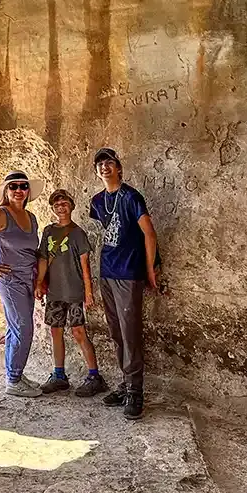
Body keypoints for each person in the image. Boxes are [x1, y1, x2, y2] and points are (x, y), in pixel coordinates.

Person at [88, 148, 161, 421]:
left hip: (129, 273)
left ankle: (136, 391)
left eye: (109, 163)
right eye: (100, 164)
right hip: (106, 272)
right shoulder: (97, 201)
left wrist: (150, 270)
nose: (105, 167)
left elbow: (149, 234)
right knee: (117, 332)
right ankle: (125, 383)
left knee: (130, 334)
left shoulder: (131, 197)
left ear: (119, 167)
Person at [0, 170, 43, 397]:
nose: (19, 191)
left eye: (23, 186)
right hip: (10, 279)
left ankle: (15, 373)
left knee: (16, 327)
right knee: (24, 327)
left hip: (28, 278)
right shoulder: (2, 214)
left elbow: (34, 249)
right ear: (6, 191)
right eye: (13, 187)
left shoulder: (31, 218)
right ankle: (13, 381)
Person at [34, 189, 108, 397]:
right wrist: (39, 283)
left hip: (74, 292)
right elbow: (43, 259)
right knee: (55, 332)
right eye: (57, 205)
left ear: (72, 206)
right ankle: (59, 375)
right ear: (53, 209)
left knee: (78, 333)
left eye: (64, 203)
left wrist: (88, 292)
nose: (61, 207)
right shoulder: (48, 232)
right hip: (55, 293)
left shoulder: (78, 234)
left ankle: (94, 376)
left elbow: (85, 266)